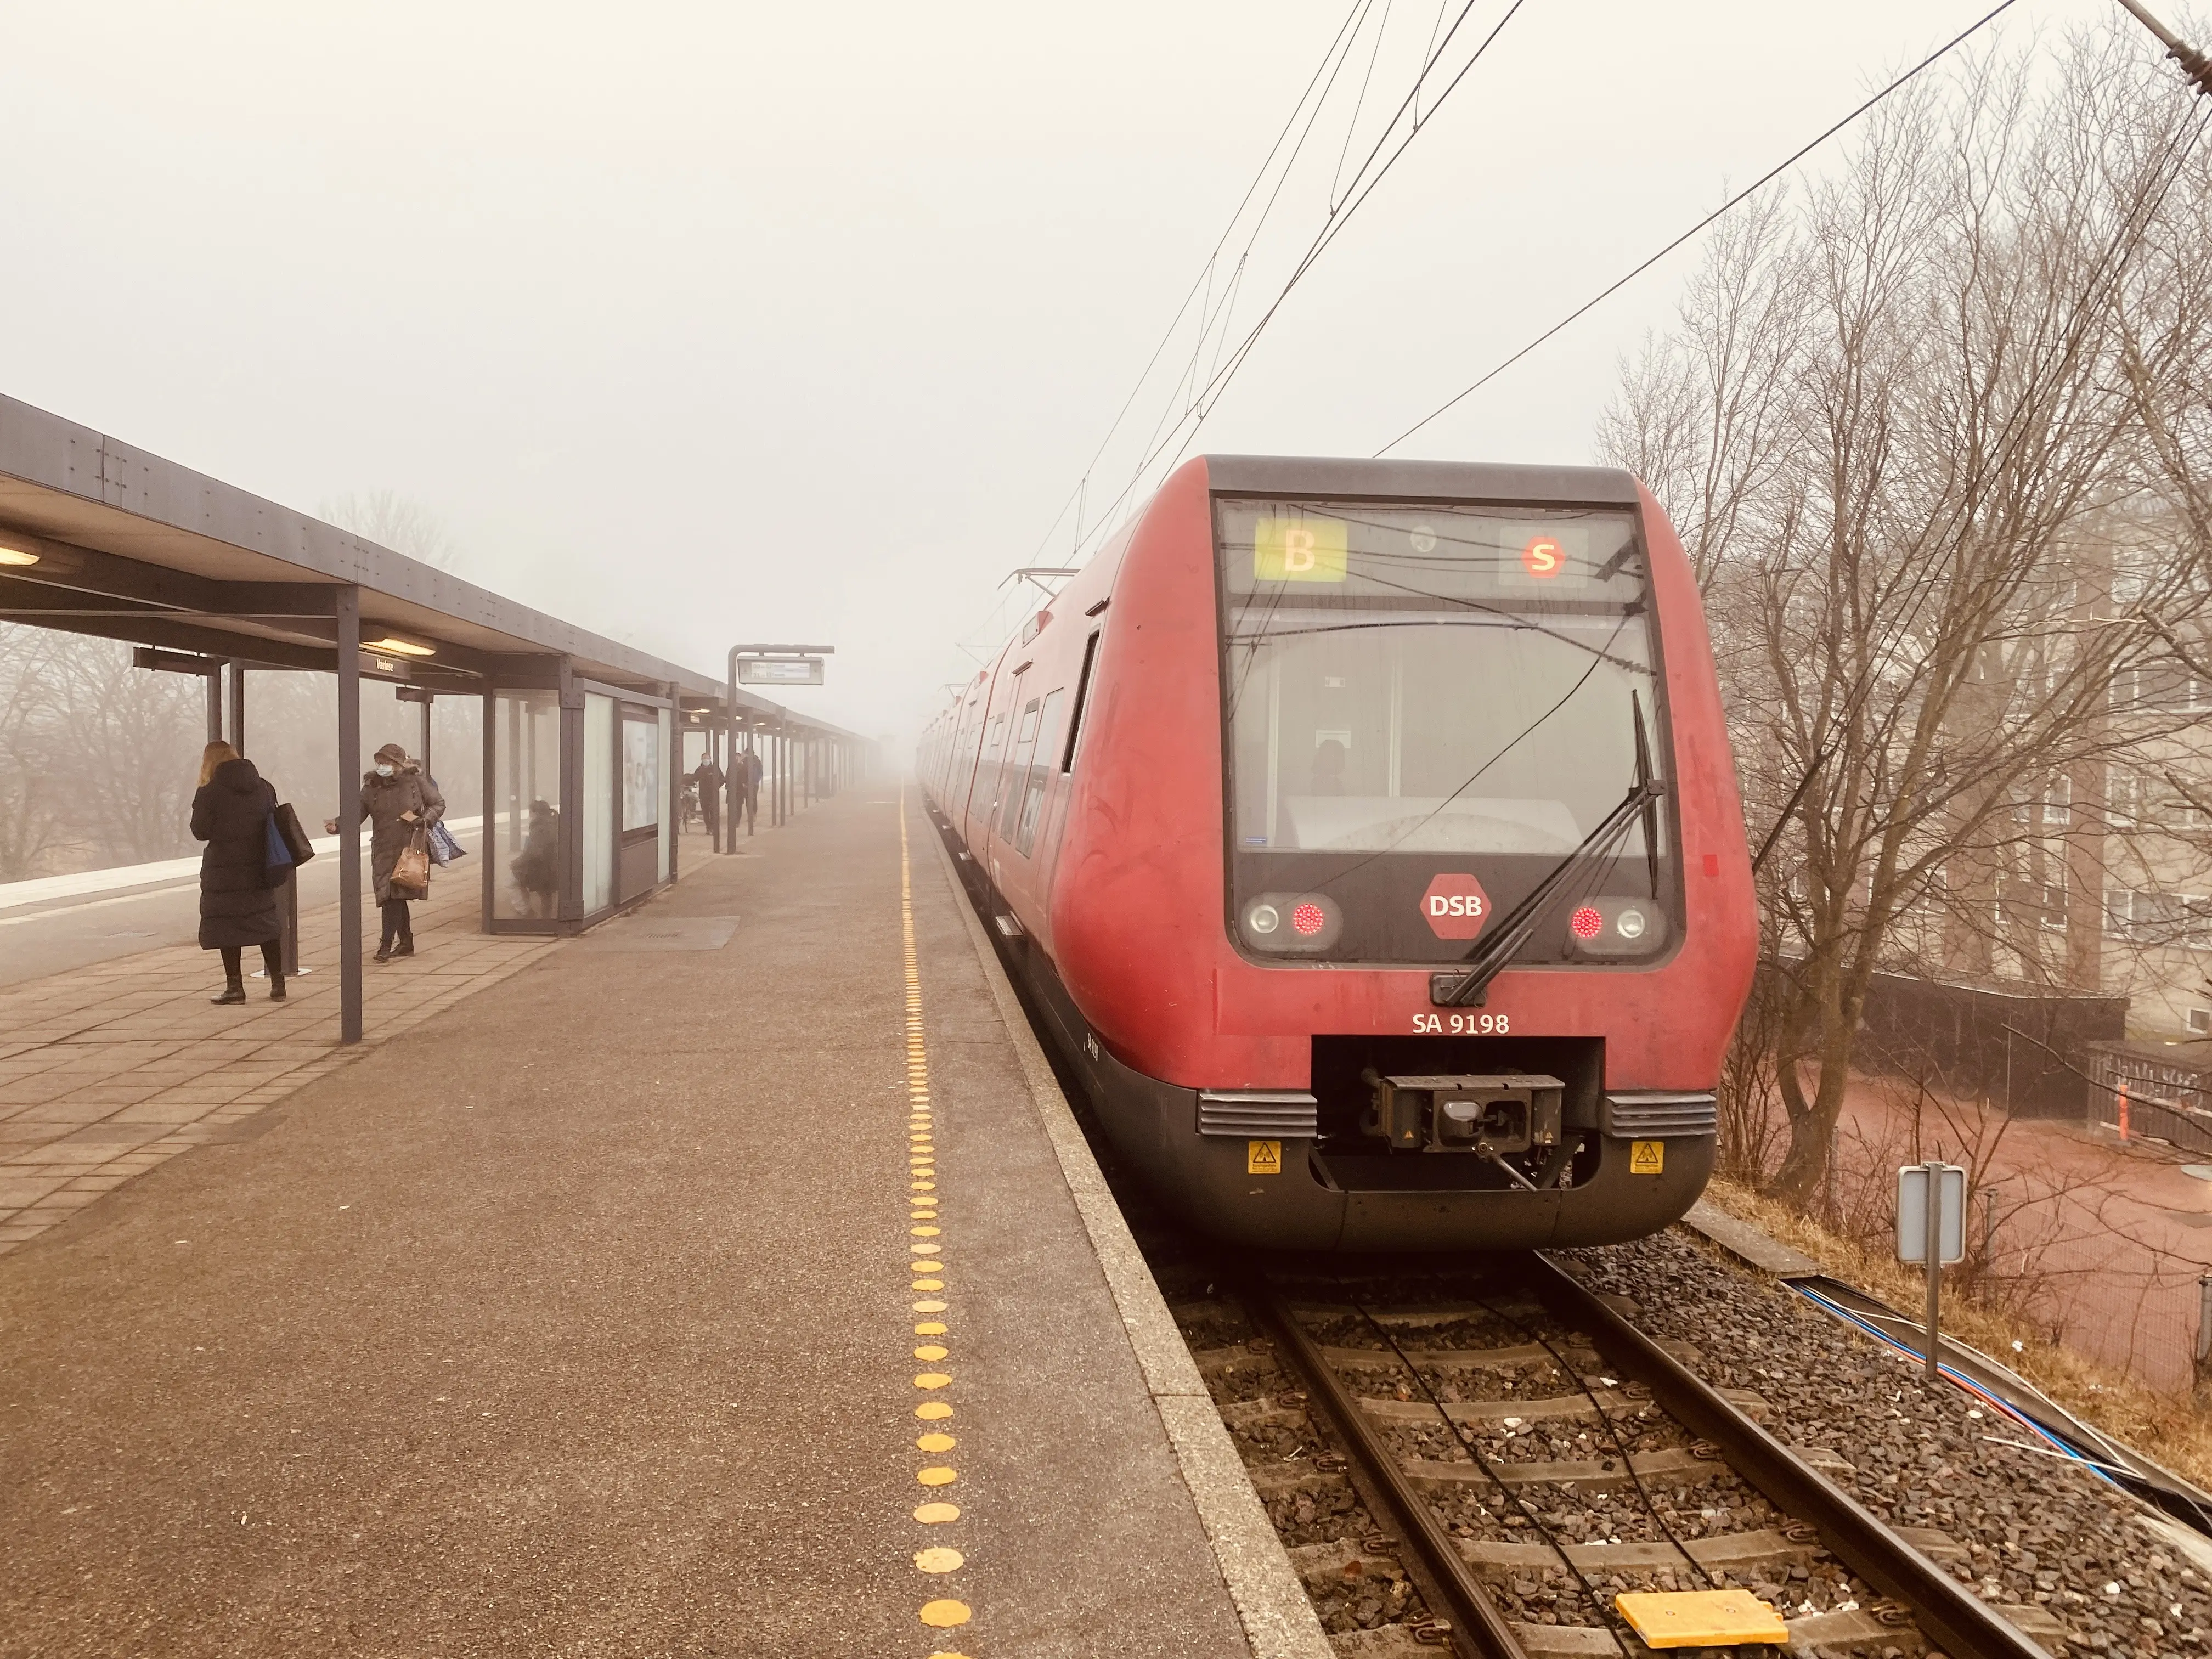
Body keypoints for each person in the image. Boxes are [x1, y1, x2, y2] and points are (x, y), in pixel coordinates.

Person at [329, 741, 445, 962]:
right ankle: (406, 942)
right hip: (382, 847)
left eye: (387, 762)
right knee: (392, 896)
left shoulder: (415, 782)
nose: (382, 766)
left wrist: (425, 820)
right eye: (379, 762)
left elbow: (438, 803)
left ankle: (385, 945)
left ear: (399, 764)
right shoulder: (371, 786)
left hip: (409, 846)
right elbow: (356, 813)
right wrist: (339, 825)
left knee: (393, 895)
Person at [191, 741, 284, 1005]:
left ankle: (235, 988)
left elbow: (200, 831)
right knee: (265, 921)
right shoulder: (264, 787)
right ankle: (278, 983)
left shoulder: (209, 792)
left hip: (224, 871)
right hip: (259, 865)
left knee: (227, 926)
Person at [692, 752, 724, 845]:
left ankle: (714, 828)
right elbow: (694, 778)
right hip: (704, 794)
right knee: (705, 812)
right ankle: (708, 828)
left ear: (710, 759)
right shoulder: (699, 770)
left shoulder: (715, 769)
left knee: (714, 812)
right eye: (704, 759)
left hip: (713, 794)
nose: (706, 760)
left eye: (707, 758)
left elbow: (722, 779)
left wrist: (717, 786)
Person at [740, 744, 764, 834]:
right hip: (746, 784)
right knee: (748, 799)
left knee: (753, 799)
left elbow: (760, 773)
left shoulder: (757, 762)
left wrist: (756, 781)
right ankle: (750, 815)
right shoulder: (744, 761)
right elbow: (741, 772)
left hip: (754, 784)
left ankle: (754, 814)